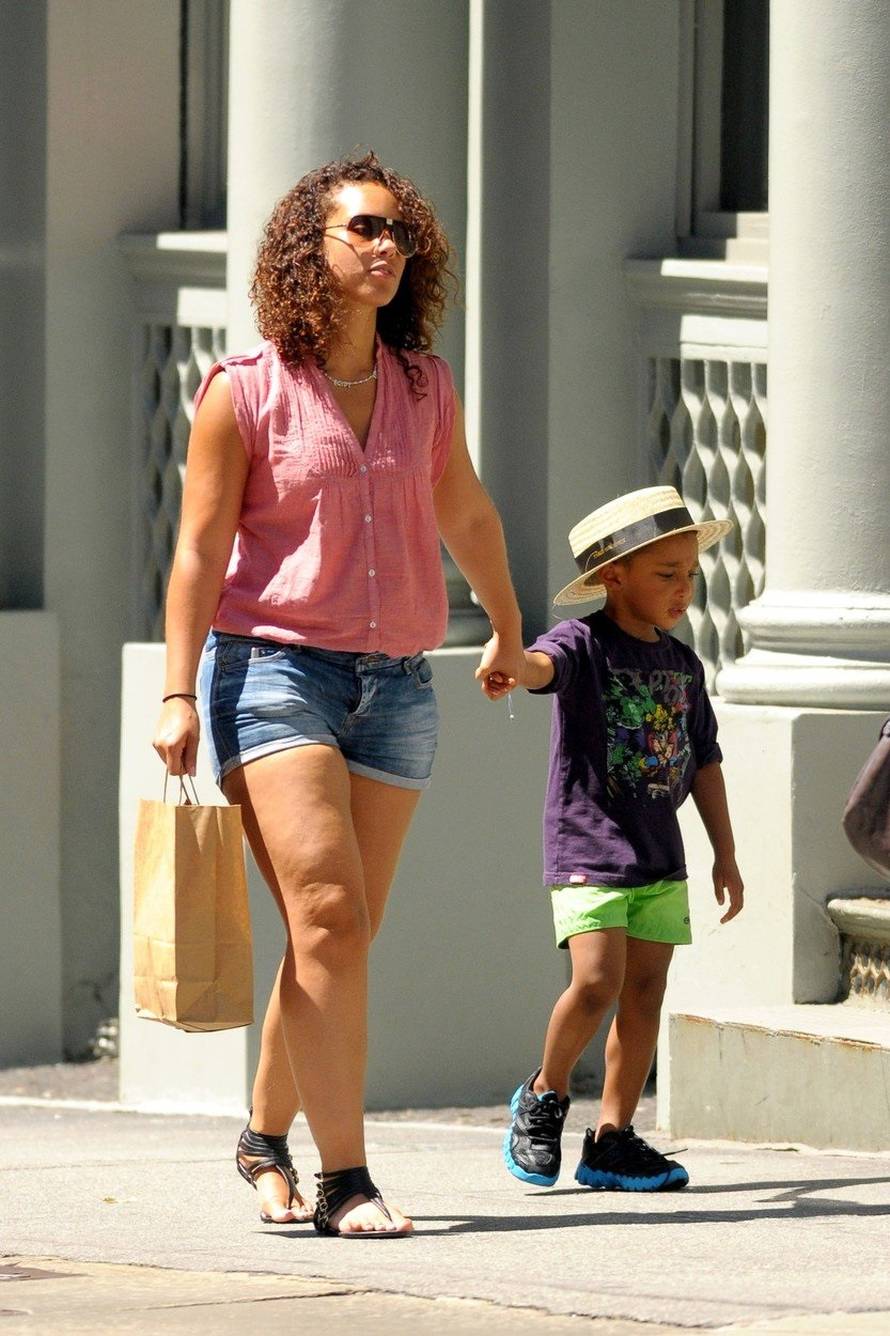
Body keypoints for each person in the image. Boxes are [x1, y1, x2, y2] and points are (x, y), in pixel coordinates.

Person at [152, 152, 524, 1237]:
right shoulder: (244, 392)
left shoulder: (424, 388)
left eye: (397, 230)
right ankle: (345, 1179)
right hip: (272, 672)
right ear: (305, 251)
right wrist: (176, 692)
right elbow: (198, 551)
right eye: (362, 227)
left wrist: (506, 624)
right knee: (326, 916)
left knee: (337, 938)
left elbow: (466, 512)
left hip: (396, 685)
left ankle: (262, 1139)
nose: (385, 245)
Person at [488, 486, 744, 1191]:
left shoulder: (684, 665)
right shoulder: (583, 643)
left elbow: (705, 761)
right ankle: (544, 1093)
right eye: (666, 574)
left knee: (646, 992)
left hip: (660, 855)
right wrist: (513, 663)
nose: (684, 589)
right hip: (589, 847)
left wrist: (724, 853)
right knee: (597, 981)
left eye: (690, 573)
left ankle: (612, 1139)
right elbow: (542, 668)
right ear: (614, 576)